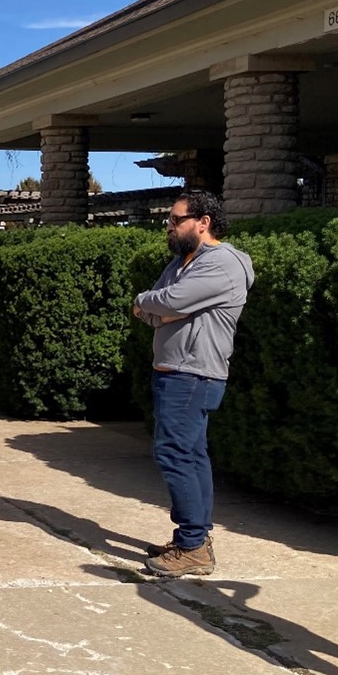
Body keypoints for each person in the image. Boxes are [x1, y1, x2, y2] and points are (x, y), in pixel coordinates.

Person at [132, 190, 253, 578]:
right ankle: (195, 537)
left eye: (176, 220)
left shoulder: (222, 263)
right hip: (172, 370)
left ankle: (192, 545)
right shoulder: (182, 262)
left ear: (203, 222)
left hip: (193, 374)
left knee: (176, 455)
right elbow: (154, 309)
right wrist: (158, 308)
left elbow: (166, 302)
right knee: (191, 455)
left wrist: (155, 304)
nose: (169, 227)